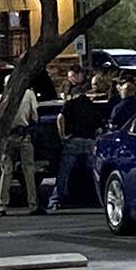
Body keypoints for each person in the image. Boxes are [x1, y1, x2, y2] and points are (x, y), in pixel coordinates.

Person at [49, 74, 101, 212]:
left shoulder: (70, 104)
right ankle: (101, 199)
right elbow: (99, 127)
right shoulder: (92, 106)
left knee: (64, 173)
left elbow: (60, 117)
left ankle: (55, 201)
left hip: (73, 141)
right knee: (95, 173)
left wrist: (62, 135)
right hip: (89, 142)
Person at [0, 75, 41, 216]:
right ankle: (33, 204)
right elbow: (35, 116)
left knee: (6, 171)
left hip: (6, 138)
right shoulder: (28, 94)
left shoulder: (0, 98)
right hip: (23, 136)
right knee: (28, 170)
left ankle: (2, 205)